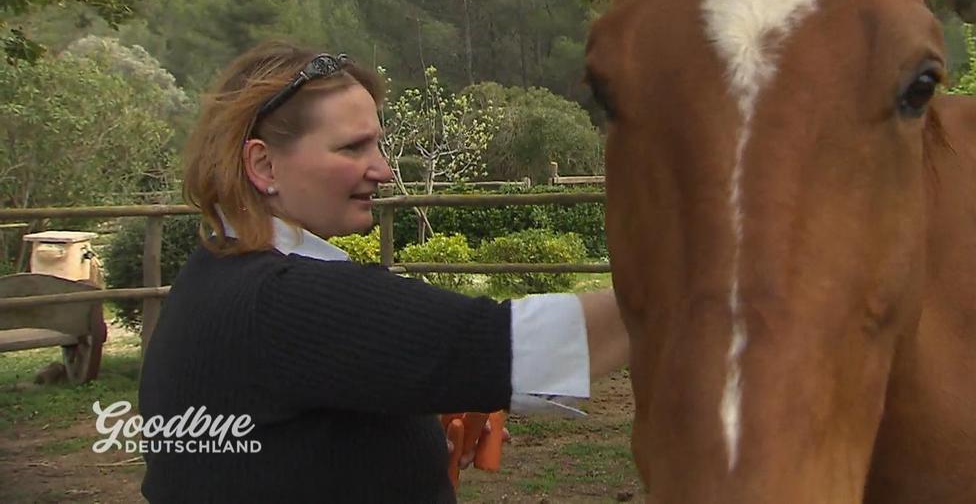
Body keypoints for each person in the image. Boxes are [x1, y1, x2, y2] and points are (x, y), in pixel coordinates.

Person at [138, 41, 629, 503]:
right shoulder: (285, 298)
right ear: (263, 165)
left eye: (378, 145)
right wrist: (692, 289)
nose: (383, 170)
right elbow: (506, 347)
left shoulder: (215, 274)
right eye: (353, 148)